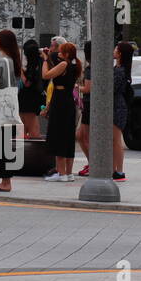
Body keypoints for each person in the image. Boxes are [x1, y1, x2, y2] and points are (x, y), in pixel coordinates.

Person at [0, 29, 25, 192]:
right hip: (11, 108)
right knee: (6, 145)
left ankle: (5, 182)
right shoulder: (15, 61)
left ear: (3, 42)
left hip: (0, 109)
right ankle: (7, 181)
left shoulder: (2, 62)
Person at [42, 41, 81, 181]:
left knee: (58, 135)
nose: (58, 52)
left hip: (60, 103)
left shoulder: (64, 64)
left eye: (61, 50)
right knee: (68, 136)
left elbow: (46, 75)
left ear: (67, 53)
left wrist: (45, 60)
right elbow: (56, 73)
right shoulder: (75, 65)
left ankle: (61, 173)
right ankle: (69, 173)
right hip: (68, 102)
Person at [112, 41, 133, 181]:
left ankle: (119, 171)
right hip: (118, 105)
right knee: (113, 140)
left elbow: (113, 88)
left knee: (116, 140)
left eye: (115, 48)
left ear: (120, 53)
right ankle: (114, 169)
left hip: (117, 106)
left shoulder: (120, 71)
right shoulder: (120, 68)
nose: (113, 50)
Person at [18, 39, 44, 140]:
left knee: (32, 130)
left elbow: (27, 83)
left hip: (28, 101)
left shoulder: (34, 65)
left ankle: (33, 153)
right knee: (24, 127)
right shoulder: (40, 62)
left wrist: (20, 71)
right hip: (33, 99)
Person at [76, 42, 92, 176]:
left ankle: (93, 163)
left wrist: (75, 88)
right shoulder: (98, 67)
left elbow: (87, 88)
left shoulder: (90, 69)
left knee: (82, 136)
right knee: (82, 136)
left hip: (88, 103)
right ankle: (92, 162)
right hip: (89, 104)